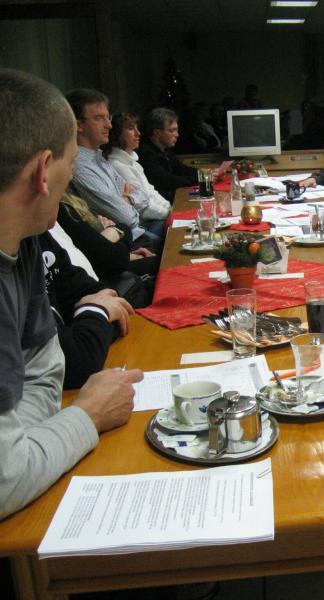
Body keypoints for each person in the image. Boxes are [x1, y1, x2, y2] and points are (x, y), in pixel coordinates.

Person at [0, 68, 143, 520]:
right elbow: (4, 482)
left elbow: (44, 372)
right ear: (44, 171)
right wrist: (87, 416)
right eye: (71, 162)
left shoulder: (24, 244)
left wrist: (26, 446)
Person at [66, 89, 164, 245]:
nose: (109, 125)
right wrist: (127, 200)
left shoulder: (99, 157)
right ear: (78, 125)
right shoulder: (79, 166)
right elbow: (127, 218)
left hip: (135, 234)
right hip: (126, 243)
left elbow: (144, 196)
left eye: (108, 117)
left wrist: (127, 199)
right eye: (99, 118)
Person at [39, 231, 133, 389]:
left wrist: (94, 315)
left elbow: (110, 302)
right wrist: (97, 312)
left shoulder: (35, 238)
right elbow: (77, 364)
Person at [104, 113, 171, 222]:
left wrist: (169, 208)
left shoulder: (133, 162)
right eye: (131, 128)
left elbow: (151, 192)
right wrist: (170, 214)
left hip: (156, 217)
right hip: (145, 223)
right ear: (117, 134)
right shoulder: (117, 165)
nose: (138, 133)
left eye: (137, 128)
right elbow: (143, 207)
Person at [137, 107, 200, 202]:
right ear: (157, 133)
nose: (177, 135)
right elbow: (165, 180)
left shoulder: (164, 148)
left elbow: (180, 168)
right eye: (172, 130)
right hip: (160, 202)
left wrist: (204, 173)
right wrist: (200, 178)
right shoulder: (145, 153)